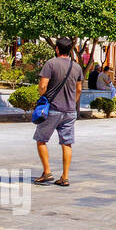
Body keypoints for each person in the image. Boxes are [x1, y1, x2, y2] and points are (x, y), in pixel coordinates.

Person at [33, 37, 84, 188]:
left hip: (53, 109)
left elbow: (43, 85)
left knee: (41, 139)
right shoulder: (77, 67)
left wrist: (43, 97)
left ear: (56, 49)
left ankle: (47, 171)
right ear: (70, 50)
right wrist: (72, 102)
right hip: (69, 111)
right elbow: (79, 89)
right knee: (67, 143)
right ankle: (65, 177)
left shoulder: (51, 64)